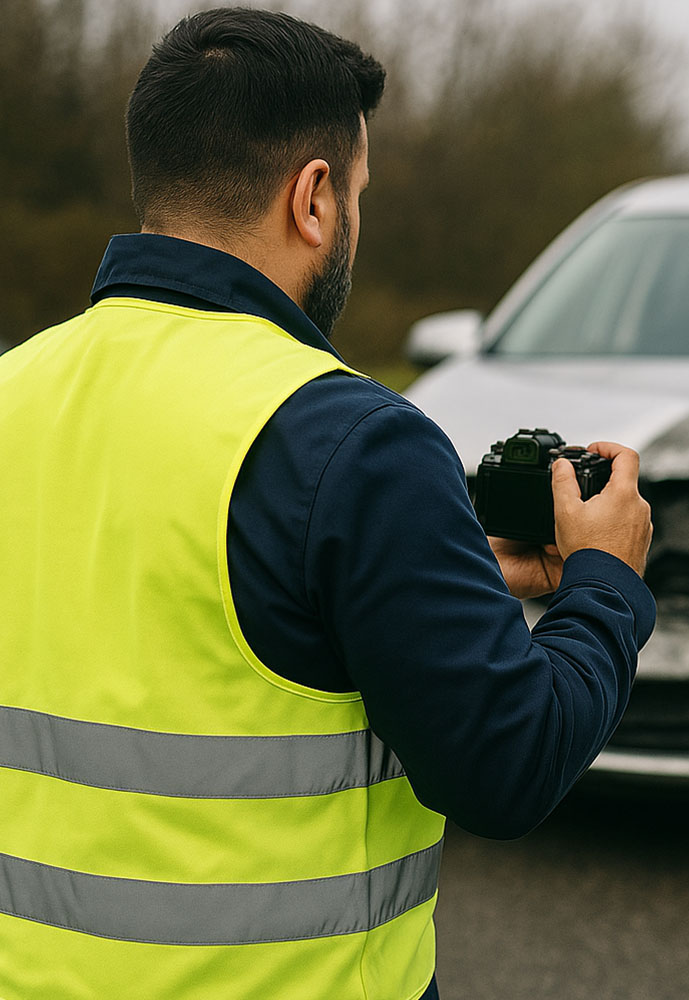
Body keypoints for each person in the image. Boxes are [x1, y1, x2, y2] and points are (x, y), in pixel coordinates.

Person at [0, 8, 655, 999]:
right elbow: (508, 763)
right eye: (358, 192)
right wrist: (605, 581)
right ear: (313, 199)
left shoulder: (16, 389)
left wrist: (441, 577)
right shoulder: (352, 442)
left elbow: (149, 620)